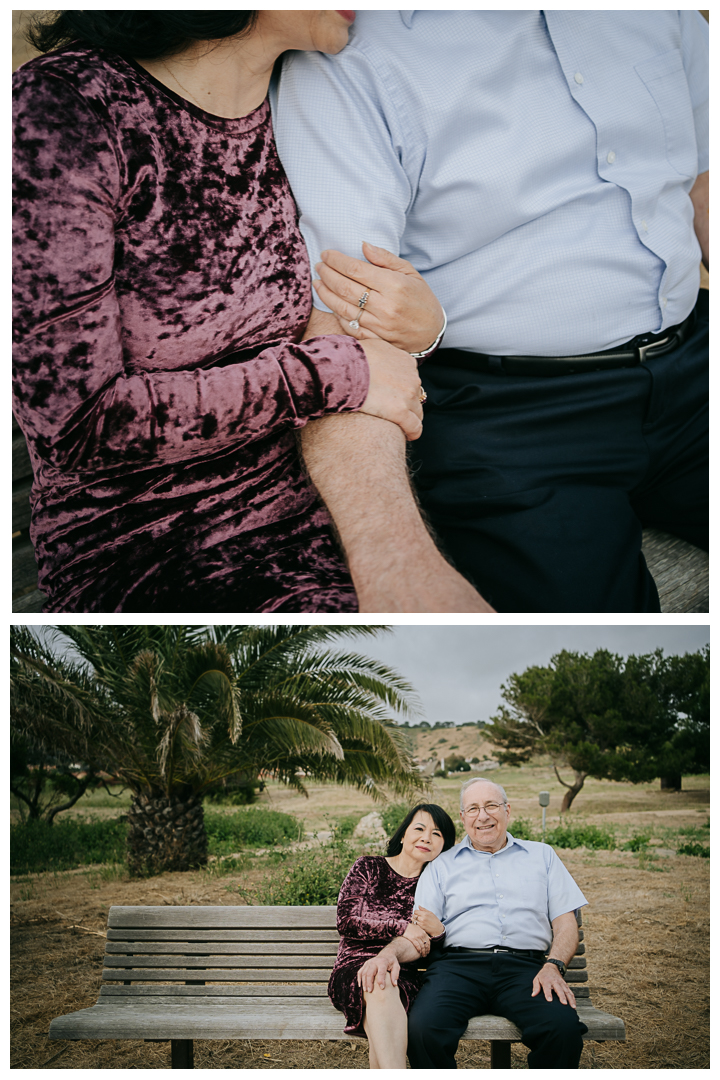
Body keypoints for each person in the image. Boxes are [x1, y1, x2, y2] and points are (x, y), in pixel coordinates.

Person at [12, 10, 490, 614]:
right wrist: (336, 375)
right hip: (143, 542)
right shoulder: (67, 108)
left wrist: (424, 326)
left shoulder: (310, 98)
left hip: (312, 502)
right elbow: (75, 426)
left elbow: (359, 302)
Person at [272, 10, 709, 613]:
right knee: (583, 641)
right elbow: (347, 323)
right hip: (511, 424)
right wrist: (396, 564)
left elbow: (699, 185)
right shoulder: (344, 52)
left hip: (698, 362)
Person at [357, 779, 588, 1069]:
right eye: (474, 809)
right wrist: (389, 954)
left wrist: (554, 966)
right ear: (464, 817)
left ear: (507, 810)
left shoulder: (542, 856)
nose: (483, 816)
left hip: (526, 971)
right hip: (456, 969)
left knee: (562, 1031)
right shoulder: (441, 865)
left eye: (491, 806)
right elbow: (419, 934)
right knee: (423, 1030)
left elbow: (566, 922)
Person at [328, 803, 455, 1069]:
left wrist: (438, 933)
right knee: (379, 981)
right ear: (403, 834)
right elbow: (346, 921)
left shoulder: (435, 885)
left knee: (384, 989)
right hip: (353, 970)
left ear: (444, 845)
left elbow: (430, 944)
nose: (426, 838)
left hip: (404, 975)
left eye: (437, 834)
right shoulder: (368, 867)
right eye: (419, 828)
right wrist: (401, 927)